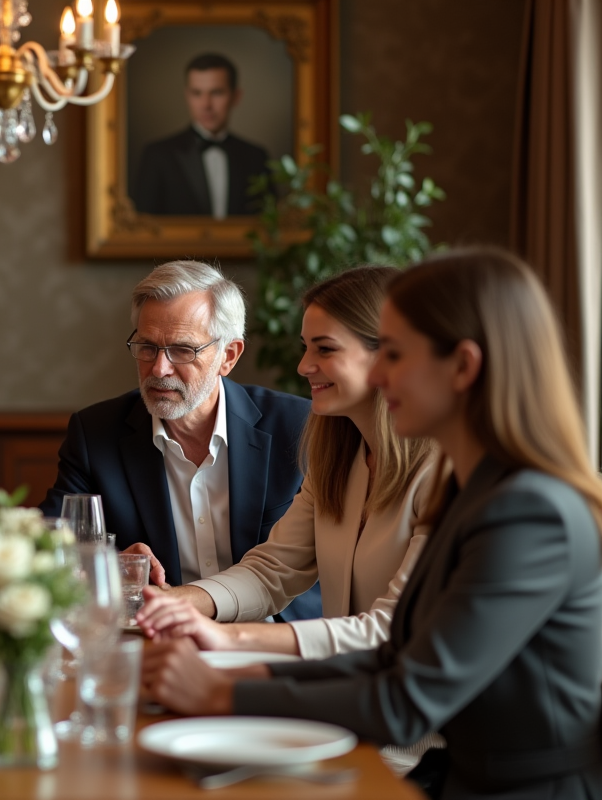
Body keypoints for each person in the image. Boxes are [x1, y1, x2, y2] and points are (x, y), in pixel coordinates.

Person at [141, 247, 602, 800]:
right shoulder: (475, 487)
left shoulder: (528, 511)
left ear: (463, 367)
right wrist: (236, 671)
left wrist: (224, 688)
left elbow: (408, 697)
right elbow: (394, 655)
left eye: (396, 354)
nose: (380, 373)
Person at [137, 266, 435, 657]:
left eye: (324, 349)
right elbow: (272, 571)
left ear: (389, 354)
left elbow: (394, 627)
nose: (303, 366)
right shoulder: (336, 457)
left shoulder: (444, 471)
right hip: (345, 681)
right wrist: (177, 602)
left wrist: (231, 638)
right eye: (306, 347)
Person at [39, 260, 321, 621]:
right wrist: (109, 567)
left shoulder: (299, 427)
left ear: (228, 356)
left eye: (183, 350)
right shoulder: (96, 433)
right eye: (147, 347)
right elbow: (50, 547)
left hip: (274, 638)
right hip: (157, 634)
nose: (159, 369)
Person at [131, 53, 271, 218]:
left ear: (236, 96)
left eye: (217, 93)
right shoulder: (158, 155)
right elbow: (142, 225)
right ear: (187, 96)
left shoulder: (256, 157)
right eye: (197, 93)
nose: (206, 104)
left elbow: (269, 223)